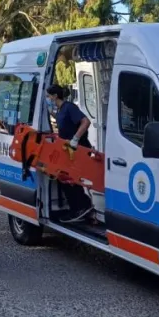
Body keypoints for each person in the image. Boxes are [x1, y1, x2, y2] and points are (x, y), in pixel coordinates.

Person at [45, 85, 94, 223]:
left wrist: (75, 139)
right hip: (70, 151)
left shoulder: (69, 107)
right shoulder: (61, 110)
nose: (47, 99)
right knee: (65, 178)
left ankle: (80, 208)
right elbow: (63, 121)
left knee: (70, 179)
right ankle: (81, 207)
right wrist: (50, 113)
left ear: (55, 96)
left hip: (78, 149)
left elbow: (86, 122)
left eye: (48, 96)